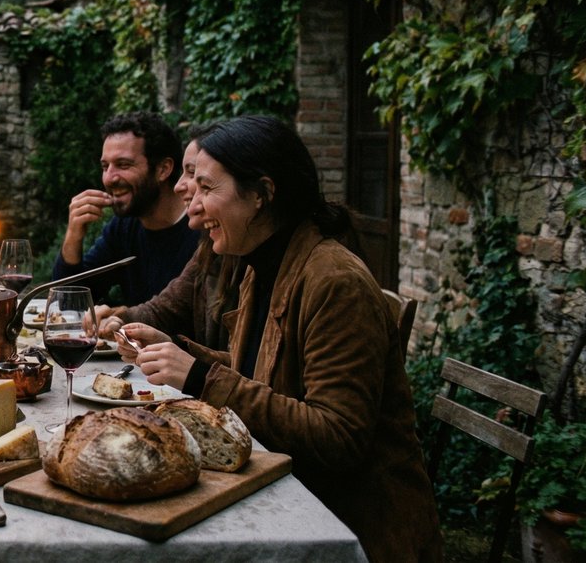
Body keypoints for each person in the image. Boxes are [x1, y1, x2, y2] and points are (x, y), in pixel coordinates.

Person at [122, 115, 442, 562]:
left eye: (209, 189)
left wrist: (198, 376)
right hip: (288, 493)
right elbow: (264, 374)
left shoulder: (335, 281)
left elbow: (339, 436)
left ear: (261, 195)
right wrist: (180, 352)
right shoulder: (265, 263)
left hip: (354, 529)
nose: (194, 200)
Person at [95, 132, 241, 351]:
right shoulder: (211, 247)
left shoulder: (276, 265)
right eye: (105, 166)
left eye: (199, 179)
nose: (179, 186)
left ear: (260, 195)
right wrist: (122, 318)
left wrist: (186, 362)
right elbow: (166, 308)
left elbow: (251, 372)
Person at [52, 112, 200, 305]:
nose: (109, 178)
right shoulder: (124, 227)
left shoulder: (202, 228)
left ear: (163, 169)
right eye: (105, 167)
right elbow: (67, 302)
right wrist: (73, 235)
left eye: (123, 165)